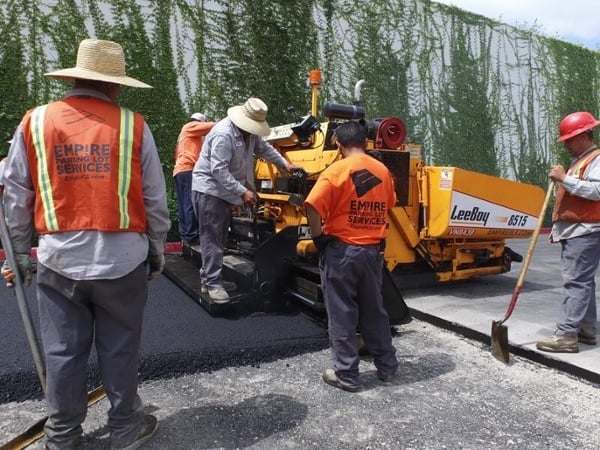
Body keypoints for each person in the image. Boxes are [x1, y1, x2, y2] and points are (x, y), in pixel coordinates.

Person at [0, 38, 171, 449]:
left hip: (59, 261)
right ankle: (126, 430)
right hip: (123, 262)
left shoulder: (36, 122)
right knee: (120, 352)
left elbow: (15, 194)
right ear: (113, 85)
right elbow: (154, 198)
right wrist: (157, 249)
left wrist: (19, 254)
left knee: (62, 353)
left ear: (75, 78)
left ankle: (61, 437)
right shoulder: (133, 125)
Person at [303, 120, 399, 392]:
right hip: (372, 252)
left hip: (342, 252)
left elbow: (311, 205)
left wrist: (319, 236)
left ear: (338, 144)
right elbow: (389, 204)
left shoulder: (336, 171)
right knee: (374, 311)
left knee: (342, 313)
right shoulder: (383, 171)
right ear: (366, 143)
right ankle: (387, 367)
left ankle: (346, 374)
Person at [192, 97, 303, 303]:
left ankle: (209, 278)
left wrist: (284, 164)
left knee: (218, 237)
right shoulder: (223, 134)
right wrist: (242, 191)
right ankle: (212, 283)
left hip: (223, 191)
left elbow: (264, 148)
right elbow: (218, 170)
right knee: (212, 238)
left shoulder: (249, 134)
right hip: (210, 190)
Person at [536, 111, 600, 353]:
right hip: (578, 230)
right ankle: (586, 329)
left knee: (576, 283)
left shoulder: (596, 159)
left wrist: (564, 178)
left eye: (570, 140)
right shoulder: (582, 159)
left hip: (585, 230)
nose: (567, 145)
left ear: (584, 135)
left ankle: (566, 336)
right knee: (584, 283)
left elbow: (597, 192)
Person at [173, 112, 215, 245]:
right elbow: (212, 126)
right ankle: (192, 235)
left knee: (183, 204)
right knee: (190, 203)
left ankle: (186, 235)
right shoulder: (190, 126)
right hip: (188, 170)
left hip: (180, 171)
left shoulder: (185, 135)